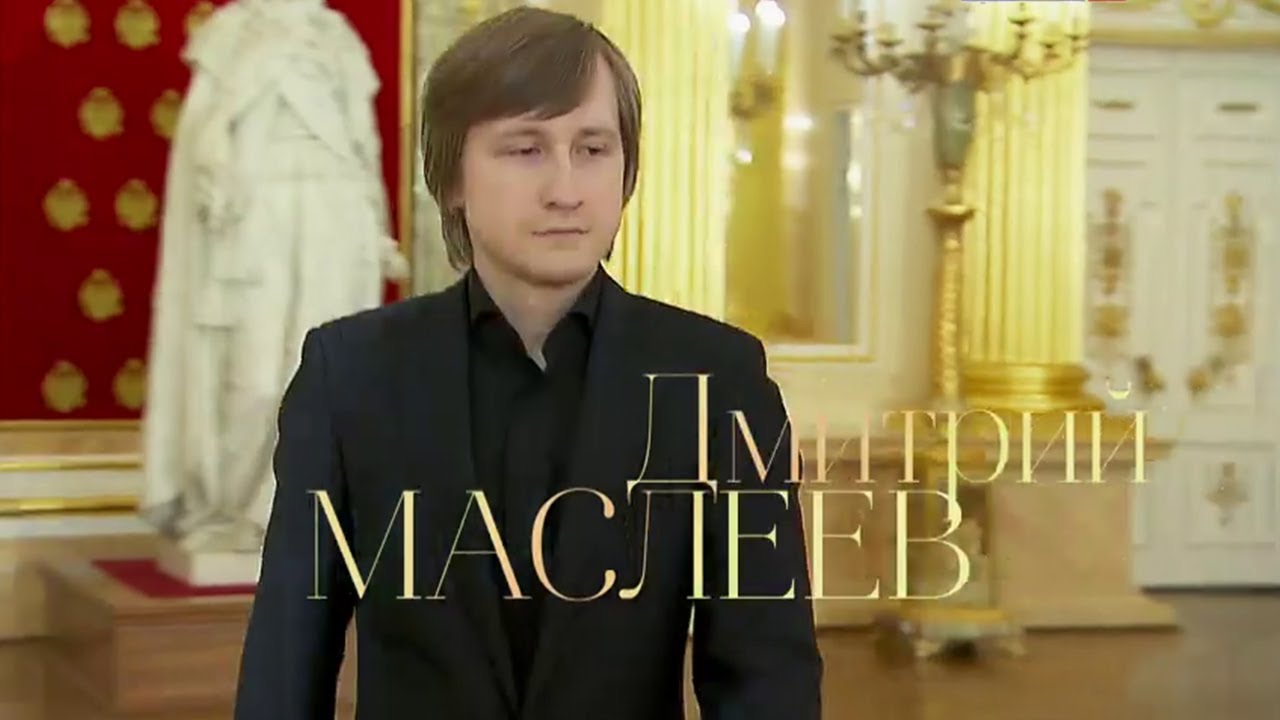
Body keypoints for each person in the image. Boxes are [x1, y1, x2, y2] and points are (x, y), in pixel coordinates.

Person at [234, 7, 822, 719]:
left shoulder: (718, 380)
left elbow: (767, 678)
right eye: (525, 149)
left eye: (593, 148)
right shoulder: (350, 375)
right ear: (451, 177)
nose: (565, 190)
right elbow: (286, 667)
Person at [141, 0, 407, 556]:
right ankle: (232, 509)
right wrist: (214, 185)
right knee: (257, 380)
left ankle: (297, 516)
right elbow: (204, 138)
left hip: (334, 213)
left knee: (329, 370)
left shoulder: (337, 35)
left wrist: (378, 228)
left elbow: (364, 145)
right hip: (257, 215)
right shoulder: (232, 32)